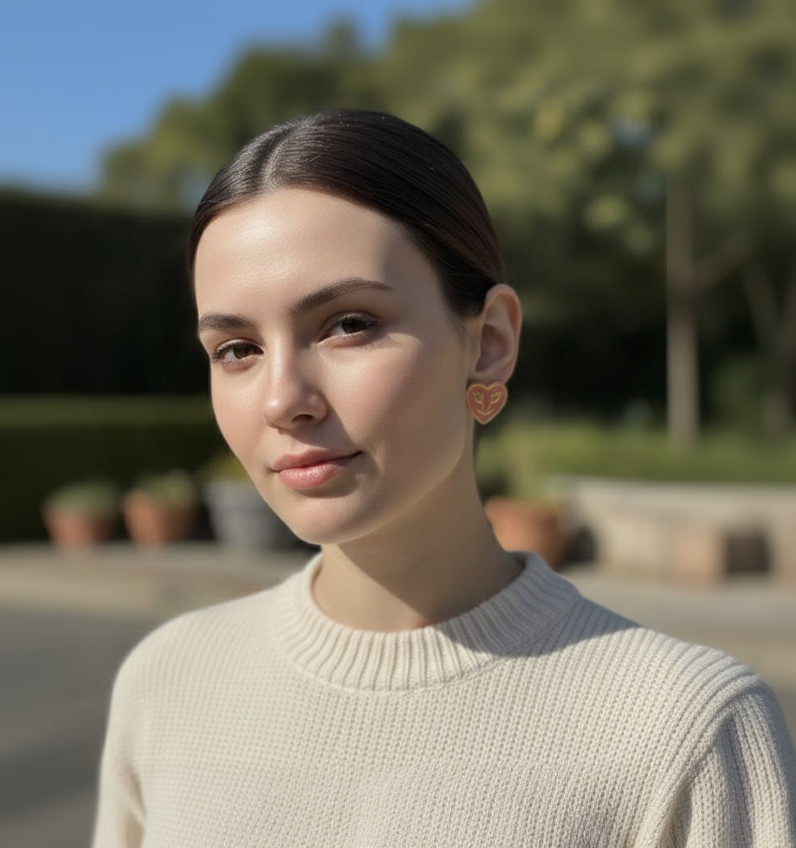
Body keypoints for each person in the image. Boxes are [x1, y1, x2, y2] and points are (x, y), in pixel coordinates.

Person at [91, 109, 795, 847]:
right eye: (236, 348)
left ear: (488, 344)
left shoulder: (681, 728)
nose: (281, 400)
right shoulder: (165, 684)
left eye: (348, 324)